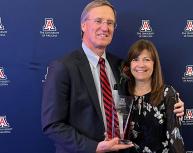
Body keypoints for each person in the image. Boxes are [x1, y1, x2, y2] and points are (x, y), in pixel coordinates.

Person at [41, 1, 184, 153]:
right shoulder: (63, 67)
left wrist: (172, 103)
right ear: (83, 25)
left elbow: (141, 94)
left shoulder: (120, 65)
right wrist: (95, 147)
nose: (105, 28)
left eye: (110, 23)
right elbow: (53, 125)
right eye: (98, 21)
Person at [122, 39, 185, 153]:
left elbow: (175, 138)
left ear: (154, 64)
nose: (141, 65)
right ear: (129, 64)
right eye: (135, 59)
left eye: (146, 59)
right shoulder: (122, 94)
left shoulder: (167, 94)